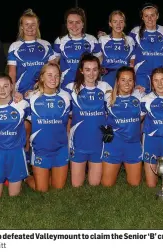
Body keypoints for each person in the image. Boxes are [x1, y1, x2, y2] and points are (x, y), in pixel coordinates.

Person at [24, 62, 71, 192]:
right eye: (49, 75)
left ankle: (47, 175)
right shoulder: (31, 97)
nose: (53, 79)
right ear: (42, 77)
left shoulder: (66, 96)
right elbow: (23, 121)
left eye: (56, 76)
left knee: (58, 189)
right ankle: (26, 177)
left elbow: (71, 119)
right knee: (42, 190)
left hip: (60, 149)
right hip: (40, 150)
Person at [67, 54, 112, 187]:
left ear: (99, 70)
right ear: (81, 70)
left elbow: (117, 104)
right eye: (87, 69)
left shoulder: (105, 86)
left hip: (98, 142)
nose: (91, 73)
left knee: (94, 184)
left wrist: (137, 91)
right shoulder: (71, 88)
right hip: (78, 142)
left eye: (94, 69)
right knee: (76, 185)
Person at [0, 73, 31, 199]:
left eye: (6, 86)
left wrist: (27, 140)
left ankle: (15, 181)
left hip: (15, 151)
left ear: (12, 87)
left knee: (14, 196)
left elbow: (32, 122)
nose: (2, 90)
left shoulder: (22, 104)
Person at [101, 66, 144, 187]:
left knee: (135, 184)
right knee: (107, 185)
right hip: (113, 145)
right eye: (123, 80)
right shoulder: (107, 98)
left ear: (134, 82)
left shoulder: (140, 96)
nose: (127, 83)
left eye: (130, 80)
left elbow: (140, 118)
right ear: (117, 81)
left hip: (133, 145)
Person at [8, 9, 55, 95]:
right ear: (21, 26)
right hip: (21, 93)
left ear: (37, 25)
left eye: (33, 24)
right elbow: (12, 73)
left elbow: (54, 69)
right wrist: (13, 92)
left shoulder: (46, 45)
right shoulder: (14, 47)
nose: (30, 27)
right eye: (27, 24)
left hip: (42, 92)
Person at [54, 7, 102, 91]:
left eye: (78, 22)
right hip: (66, 85)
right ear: (66, 24)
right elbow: (54, 62)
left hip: (87, 85)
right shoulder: (59, 40)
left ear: (83, 24)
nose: (74, 26)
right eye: (70, 22)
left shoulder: (92, 39)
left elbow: (99, 60)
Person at [129, 4, 163, 93]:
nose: (149, 18)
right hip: (141, 74)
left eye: (152, 15)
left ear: (157, 16)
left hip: (159, 75)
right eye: (146, 16)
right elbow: (125, 44)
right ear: (142, 17)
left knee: (159, 100)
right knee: (142, 100)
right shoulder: (135, 31)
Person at [98, 11, 136, 87]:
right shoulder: (103, 39)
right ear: (110, 23)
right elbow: (98, 60)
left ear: (124, 23)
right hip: (107, 79)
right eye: (115, 22)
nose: (118, 25)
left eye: (121, 22)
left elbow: (132, 62)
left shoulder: (130, 40)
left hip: (124, 79)